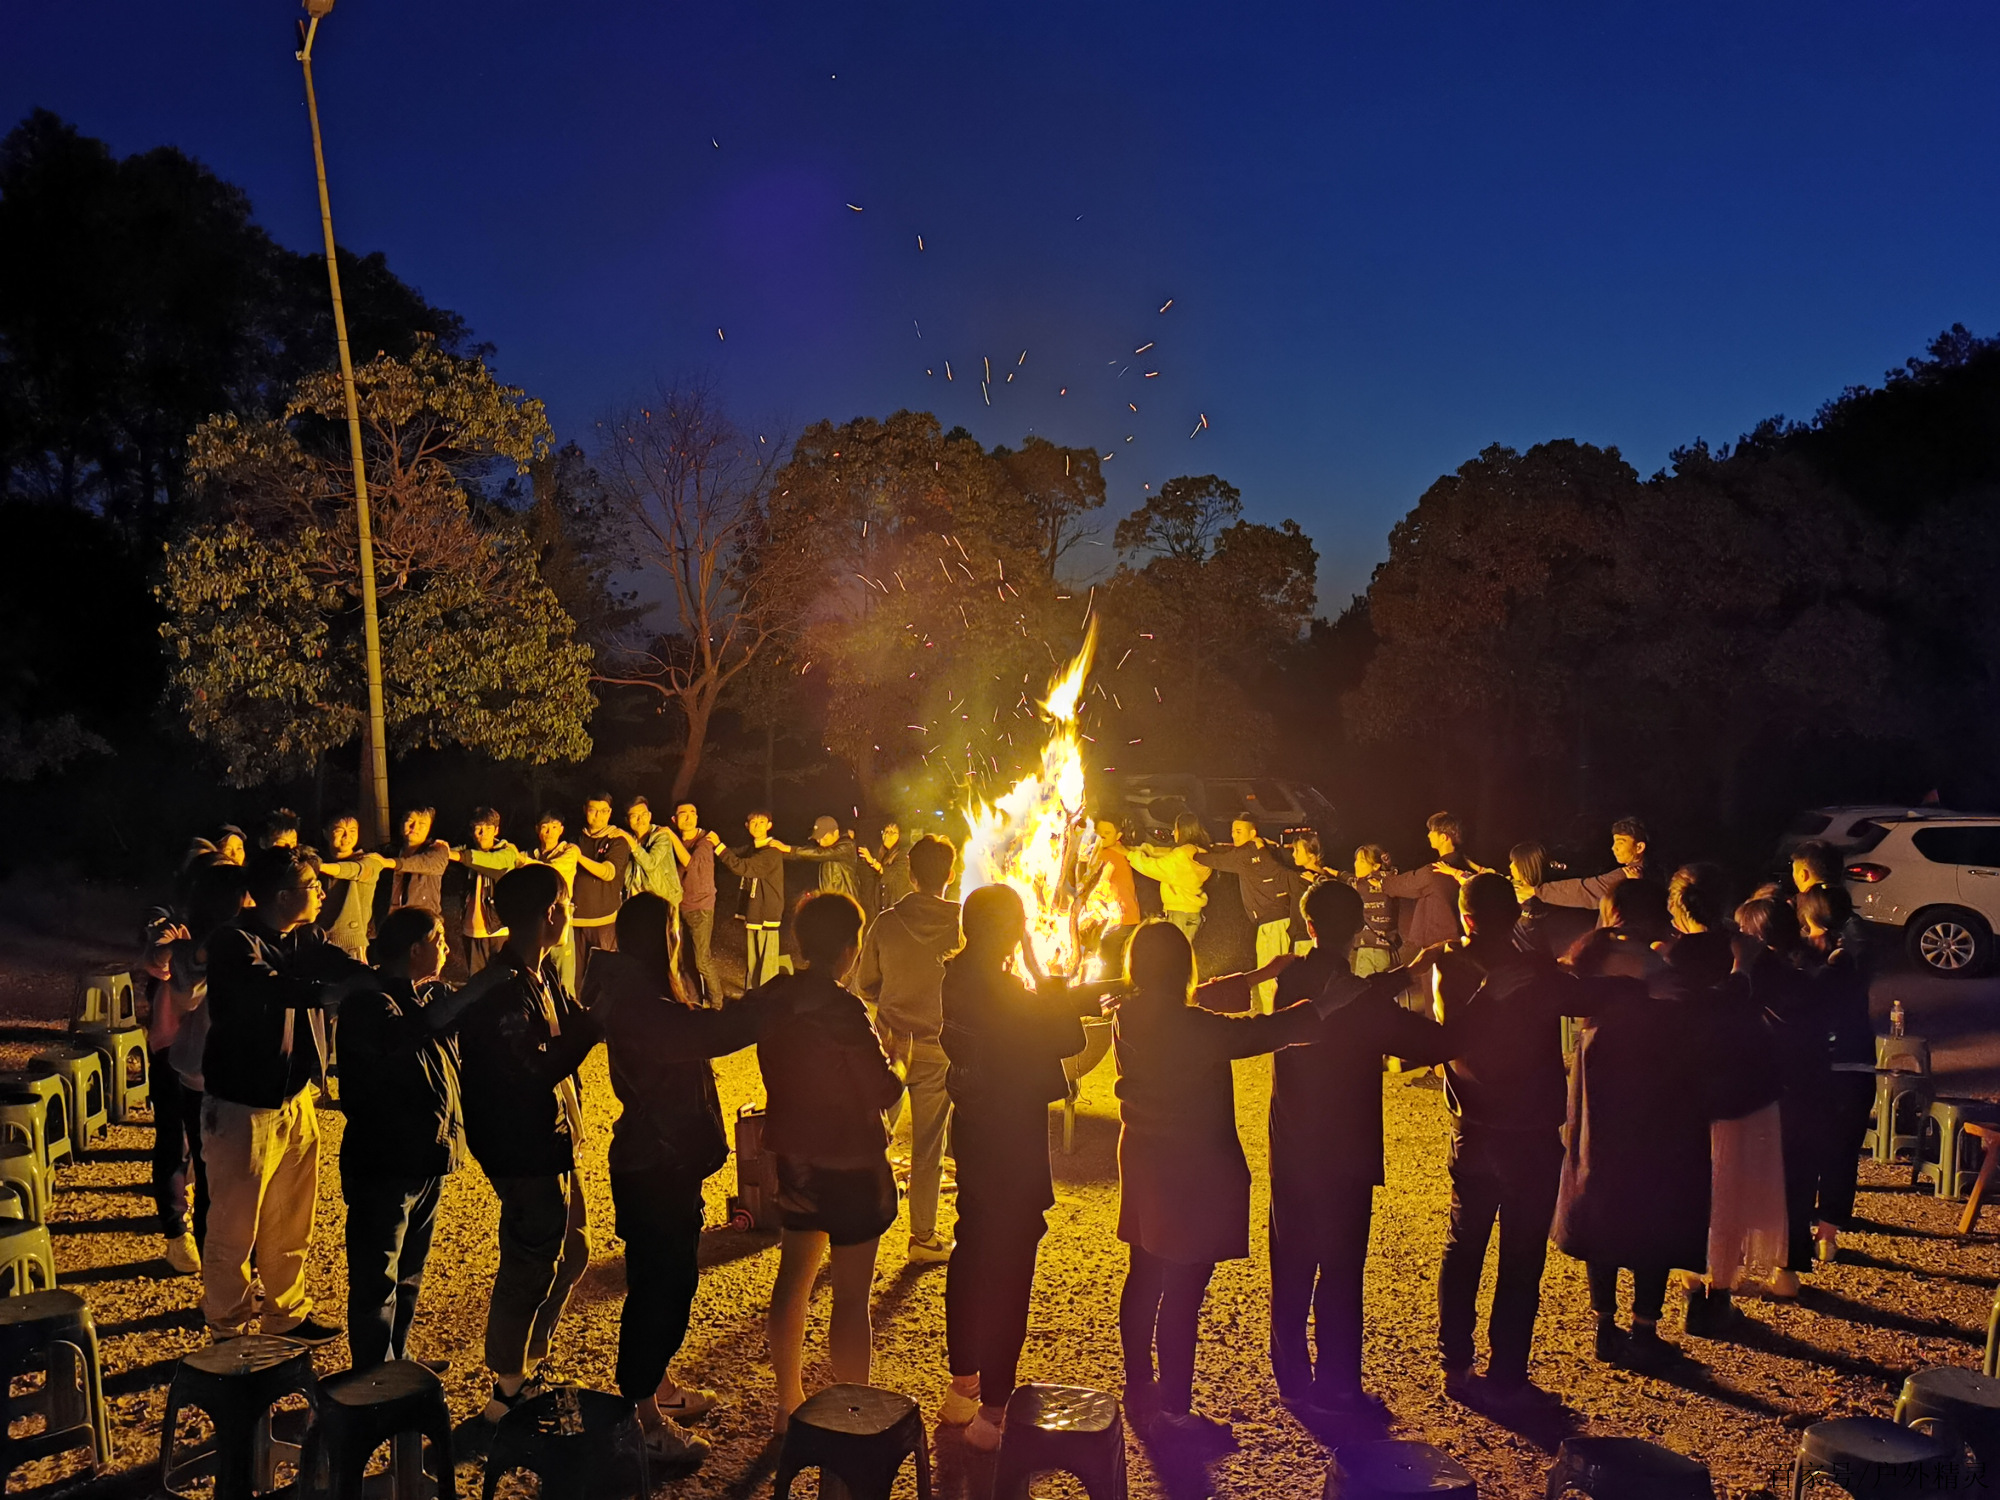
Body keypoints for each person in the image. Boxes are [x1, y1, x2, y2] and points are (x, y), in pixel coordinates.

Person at [1426, 873, 1643, 1411]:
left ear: (1466, 916)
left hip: (1474, 1128)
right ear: (1513, 917)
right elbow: (1596, 994)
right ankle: (1507, 1371)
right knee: (1521, 1256)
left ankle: (1457, 1362)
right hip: (1531, 1133)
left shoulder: (1451, 966)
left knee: (1465, 1244)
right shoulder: (1532, 973)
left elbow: (1446, 1038)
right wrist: (1640, 978)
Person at [1114, 922, 1316, 1442]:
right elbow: (1256, 1033)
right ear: (1183, 967)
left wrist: (1263, 973)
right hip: (1190, 1169)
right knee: (1183, 1289)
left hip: (1143, 1156)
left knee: (1144, 1272)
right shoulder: (1194, 1028)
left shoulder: (1128, 1013)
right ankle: (1175, 1414)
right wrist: (1315, 1011)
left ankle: (1139, 1383)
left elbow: (1206, 1001)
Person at [937, 885, 1118, 1451]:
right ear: (1009, 930)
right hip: (1010, 1137)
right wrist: (1044, 968)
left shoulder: (958, 976)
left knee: (972, 1246)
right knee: (1012, 1263)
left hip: (973, 1130)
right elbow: (1065, 1034)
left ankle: (962, 1385)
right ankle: (994, 1408)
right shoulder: (1004, 989)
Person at [596, 892, 769, 1467]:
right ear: (662, 935)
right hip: (655, 1165)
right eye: (673, 928)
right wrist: (772, 1006)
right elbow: (710, 1035)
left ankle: (655, 1389)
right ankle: (642, 1418)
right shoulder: (644, 1003)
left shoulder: (638, 991)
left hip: (658, 1162)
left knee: (665, 1281)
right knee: (662, 1289)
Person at [1266, 881, 1447, 1412]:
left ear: (1309, 926)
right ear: (1358, 929)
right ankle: (1340, 1381)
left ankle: (1292, 1378)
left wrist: (1402, 975)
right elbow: (1430, 1041)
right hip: (1346, 1153)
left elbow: (1346, 991)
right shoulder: (1362, 1001)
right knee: (1343, 1269)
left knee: (1292, 1264)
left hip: (1295, 1149)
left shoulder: (1290, 984)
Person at [199, 846, 377, 1343]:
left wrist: (380, 977)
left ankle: (287, 1314)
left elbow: (336, 963)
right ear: (281, 896)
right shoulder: (235, 942)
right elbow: (277, 989)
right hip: (242, 1103)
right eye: (312, 886)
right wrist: (341, 992)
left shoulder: (304, 937)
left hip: (294, 1097)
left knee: (291, 1217)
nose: (322, 892)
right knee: (234, 1227)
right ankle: (228, 1330)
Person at [455, 862, 603, 1423]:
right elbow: (531, 1071)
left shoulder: (540, 975)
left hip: (553, 1138)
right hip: (523, 1146)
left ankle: (529, 1362)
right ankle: (507, 1385)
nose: (570, 912)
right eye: (566, 902)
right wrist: (592, 1033)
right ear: (551, 913)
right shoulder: (504, 989)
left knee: (573, 1251)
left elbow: (577, 1026)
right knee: (531, 1259)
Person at [755, 892, 904, 1431]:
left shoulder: (776, 1000)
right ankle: (852, 1410)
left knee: (793, 1278)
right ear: (849, 949)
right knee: (850, 1296)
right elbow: (880, 1091)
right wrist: (899, 1063)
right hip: (852, 1165)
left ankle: (789, 1402)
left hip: (796, 1156)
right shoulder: (844, 1011)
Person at [1555, 929, 1710, 1368]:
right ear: (1609, 968)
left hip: (1604, 1144)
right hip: (1651, 1141)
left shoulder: (1602, 1014)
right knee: (1650, 1230)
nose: (1644, 949)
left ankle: (1610, 1328)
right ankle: (1640, 1330)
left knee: (1605, 1225)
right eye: (1629, 948)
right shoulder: (1641, 1014)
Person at [340, 906, 464, 1369]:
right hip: (386, 1162)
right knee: (377, 1278)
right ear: (416, 949)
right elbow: (400, 1038)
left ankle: (398, 1357)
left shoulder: (422, 996)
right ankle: (373, 1375)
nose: (447, 948)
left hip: (426, 1157)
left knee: (409, 1271)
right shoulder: (369, 1002)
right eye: (440, 939)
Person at [855, 834, 963, 1263]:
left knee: (873, 1136)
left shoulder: (886, 920)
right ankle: (922, 1236)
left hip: (890, 1044)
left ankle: (861, 1223)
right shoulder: (964, 924)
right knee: (929, 1148)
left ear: (911, 873)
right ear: (951, 874)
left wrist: (895, 995)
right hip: (941, 1047)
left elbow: (865, 984)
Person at [146, 861, 250, 1275]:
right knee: (179, 1144)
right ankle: (178, 1232)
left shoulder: (242, 937)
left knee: (214, 1167)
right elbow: (161, 962)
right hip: (177, 1049)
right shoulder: (177, 929)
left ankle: (222, 1264)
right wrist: (201, 950)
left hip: (209, 1060)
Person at [1735, 896, 1828, 1298]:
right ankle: (1787, 1271)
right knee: (1797, 1181)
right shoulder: (1811, 969)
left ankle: (1731, 1266)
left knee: (1744, 1175)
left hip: (1766, 1088)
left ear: (1757, 934)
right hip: (1809, 1088)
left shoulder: (1760, 973)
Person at [1799, 882, 1874, 1265]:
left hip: (1827, 1070)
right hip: (1860, 1069)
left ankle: (1803, 1232)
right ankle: (1827, 1236)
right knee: (1843, 1155)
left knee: (1810, 1151)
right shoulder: (1860, 953)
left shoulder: (1827, 962)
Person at [1194, 815, 1298, 1013]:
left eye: (1239, 831)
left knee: (1269, 975)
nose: (1233, 835)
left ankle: (1272, 1021)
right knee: (1279, 972)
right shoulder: (1264, 849)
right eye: (1232, 830)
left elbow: (1217, 860)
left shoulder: (1245, 854)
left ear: (1253, 833)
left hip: (1271, 923)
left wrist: (1192, 855)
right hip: (1279, 919)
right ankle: (1280, 1018)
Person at [1381, 812, 1477, 959]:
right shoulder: (1468, 868)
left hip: (1437, 946)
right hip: (1465, 941)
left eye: (1432, 832)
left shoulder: (1436, 871)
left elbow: (1400, 885)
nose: (1428, 836)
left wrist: (1382, 876)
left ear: (1444, 837)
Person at [715, 812, 786, 990]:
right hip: (754, 910)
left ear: (769, 825)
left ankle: (767, 999)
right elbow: (735, 855)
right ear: (747, 825)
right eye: (753, 822)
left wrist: (718, 847)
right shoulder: (754, 848)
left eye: (762, 822)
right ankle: (753, 993)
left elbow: (742, 867)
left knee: (766, 960)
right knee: (754, 958)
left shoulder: (771, 852)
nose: (757, 825)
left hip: (767, 911)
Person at [1126, 813, 1212, 954]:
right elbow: (1161, 854)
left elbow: (1156, 867)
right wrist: (1135, 849)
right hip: (1193, 913)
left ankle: (1179, 976)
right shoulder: (1198, 853)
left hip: (1179, 912)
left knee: (1174, 954)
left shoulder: (1182, 856)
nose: (1174, 833)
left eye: (1176, 829)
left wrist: (1130, 855)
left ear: (1182, 831)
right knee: (1185, 952)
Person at [453, 808, 522, 974]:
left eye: (488, 828)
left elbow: (491, 862)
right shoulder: (467, 851)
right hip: (471, 929)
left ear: (496, 830)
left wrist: (459, 856)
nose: (482, 833)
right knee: (476, 983)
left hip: (499, 929)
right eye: (478, 828)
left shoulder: (506, 853)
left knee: (503, 981)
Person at [1536, 816, 1653, 911]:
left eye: (1620, 843)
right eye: (1614, 843)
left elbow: (1584, 891)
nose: (1614, 848)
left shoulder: (1628, 875)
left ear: (1639, 847)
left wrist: (1538, 891)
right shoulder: (1653, 871)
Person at [317, 812, 390, 964]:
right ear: (326, 833)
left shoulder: (369, 861)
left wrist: (320, 867)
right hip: (319, 941)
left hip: (351, 944)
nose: (346, 836)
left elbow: (351, 870)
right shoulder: (318, 862)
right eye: (339, 830)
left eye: (352, 831)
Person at [673, 803, 725, 1005]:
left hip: (701, 907)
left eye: (693, 813)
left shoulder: (704, 841)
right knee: (685, 959)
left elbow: (691, 864)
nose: (688, 817)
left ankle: (717, 1004)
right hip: (679, 906)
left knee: (702, 960)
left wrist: (670, 836)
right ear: (674, 819)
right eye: (682, 814)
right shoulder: (676, 842)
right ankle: (694, 1001)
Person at [1078, 817, 1144, 973]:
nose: (1102, 836)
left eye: (1107, 832)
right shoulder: (1118, 850)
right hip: (1127, 917)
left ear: (1118, 835)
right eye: (1099, 832)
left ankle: (1110, 993)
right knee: (1121, 964)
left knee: (1108, 965)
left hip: (1118, 920)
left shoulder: (1107, 855)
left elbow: (1088, 884)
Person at [529, 812, 583, 995]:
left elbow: (550, 870)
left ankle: (569, 1017)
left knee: (564, 975)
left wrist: (525, 863)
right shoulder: (532, 854)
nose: (549, 831)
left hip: (561, 915)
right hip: (537, 917)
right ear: (537, 830)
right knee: (539, 971)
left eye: (554, 826)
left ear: (561, 829)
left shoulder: (569, 851)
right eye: (544, 827)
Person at [619, 796, 685, 926]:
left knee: (662, 943)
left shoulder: (660, 836)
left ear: (649, 816)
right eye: (634, 816)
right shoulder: (629, 840)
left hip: (662, 900)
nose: (640, 819)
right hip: (636, 901)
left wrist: (632, 844)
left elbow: (651, 863)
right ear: (627, 820)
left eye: (643, 814)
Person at [381, 807, 452, 917]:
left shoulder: (437, 850)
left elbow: (427, 863)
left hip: (423, 921)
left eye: (422, 823)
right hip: (391, 920)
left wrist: (392, 863)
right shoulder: (389, 851)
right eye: (410, 821)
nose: (414, 827)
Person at [779, 815, 862, 900]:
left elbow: (820, 853)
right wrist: (779, 853)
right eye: (818, 840)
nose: (821, 843)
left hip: (846, 900)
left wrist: (790, 849)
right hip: (830, 899)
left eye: (825, 839)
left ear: (836, 833)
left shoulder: (847, 846)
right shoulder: (828, 850)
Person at [1346, 844, 1400, 975]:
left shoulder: (1364, 885)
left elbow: (1346, 882)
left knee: (1367, 993)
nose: (1356, 864)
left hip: (1372, 951)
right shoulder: (1390, 881)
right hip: (1388, 949)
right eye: (1356, 860)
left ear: (1376, 866)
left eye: (1362, 861)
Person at [864, 821, 913, 912]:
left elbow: (890, 874)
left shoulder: (903, 855)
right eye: (886, 832)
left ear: (899, 836)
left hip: (897, 905)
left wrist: (872, 862)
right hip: (880, 906)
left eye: (892, 832)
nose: (888, 835)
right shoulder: (879, 853)